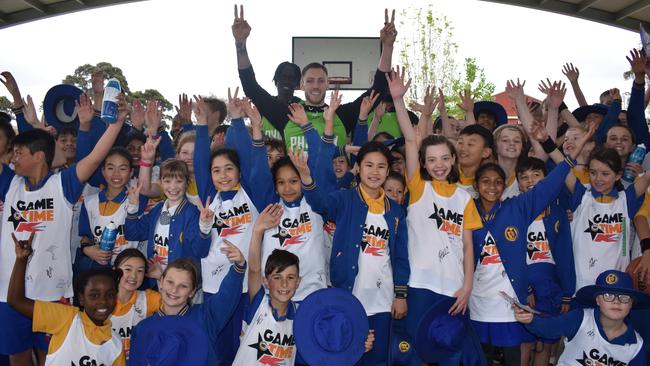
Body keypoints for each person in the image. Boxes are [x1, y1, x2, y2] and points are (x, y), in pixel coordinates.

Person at [0, 93, 125, 365]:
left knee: (53, 357)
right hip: (8, 293)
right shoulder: (10, 183)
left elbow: (94, 158)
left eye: (19, 153)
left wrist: (115, 125)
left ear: (39, 156)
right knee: (18, 357)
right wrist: (19, 106)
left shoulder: (63, 185)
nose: (13, 158)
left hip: (53, 295)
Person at [469, 120, 591, 365]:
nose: (491, 187)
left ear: (505, 187)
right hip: (476, 299)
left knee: (516, 356)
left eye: (497, 182)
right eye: (485, 181)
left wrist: (575, 152)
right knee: (480, 356)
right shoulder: (467, 209)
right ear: (475, 185)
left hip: (510, 300)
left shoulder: (517, 207)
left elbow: (551, 183)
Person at [389, 66, 483, 365]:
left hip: (454, 288)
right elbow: (410, 140)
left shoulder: (464, 198)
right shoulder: (417, 188)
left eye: (444, 158)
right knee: (416, 351)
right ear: (424, 165)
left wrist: (467, 287)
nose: (439, 164)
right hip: (420, 285)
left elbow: (468, 246)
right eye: (432, 160)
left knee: (450, 352)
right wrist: (399, 101)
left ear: (453, 159)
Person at [298, 135, 409, 365]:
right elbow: (320, 205)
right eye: (369, 165)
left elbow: (400, 256)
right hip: (349, 294)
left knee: (378, 358)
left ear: (388, 172)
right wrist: (307, 178)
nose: (375, 171)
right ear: (358, 168)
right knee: (348, 355)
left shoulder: (396, 212)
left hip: (382, 299)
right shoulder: (344, 198)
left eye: (381, 166)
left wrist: (400, 295)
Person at [233, 5, 394, 151]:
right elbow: (251, 87)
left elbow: (378, 88)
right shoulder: (287, 115)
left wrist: (387, 47)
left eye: (321, 81)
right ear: (301, 85)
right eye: (309, 81)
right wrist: (240, 44)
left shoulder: (343, 115)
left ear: (328, 84)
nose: (315, 86)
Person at [7, 233, 125, 365]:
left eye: (110, 294)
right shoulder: (66, 319)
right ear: (81, 298)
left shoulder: (115, 345)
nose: (103, 301)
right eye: (94, 295)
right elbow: (15, 301)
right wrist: (21, 260)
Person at [129, 245, 247, 366]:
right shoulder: (143, 328)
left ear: (192, 292)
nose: (174, 290)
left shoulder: (205, 317)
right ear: (162, 282)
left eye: (183, 286)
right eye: (170, 282)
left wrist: (239, 267)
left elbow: (226, 296)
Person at [514, 270, 649, 366]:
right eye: (608, 295)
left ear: (631, 303)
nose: (616, 302)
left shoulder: (636, 345)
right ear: (597, 300)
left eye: (624, 298)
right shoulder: (581, 318)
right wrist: (531, 320)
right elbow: (550, 328)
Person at [515, 157, 575, 366]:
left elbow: (566, 254)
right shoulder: (515, 211)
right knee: (524, 340)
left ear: (546, 179)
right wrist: (526, 287)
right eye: (524, 177)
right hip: (525, 283)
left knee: (546, 339)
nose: (530, 180)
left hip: (552, 284)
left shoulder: (557, 212)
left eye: (536, 175)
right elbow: (511, 256)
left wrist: (567, 293)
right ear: (518, 183)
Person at [232, 204, 300, 365]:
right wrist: (257, 231)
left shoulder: (301, 315)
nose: (284, 283)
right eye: (277, 277)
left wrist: (359, 342)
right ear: (265, 281)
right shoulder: (259, 303)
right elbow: (254, 269)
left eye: (290, 277)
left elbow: (325, 342)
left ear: (298, 282)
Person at [124, 159, 211, 276]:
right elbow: (133, 234)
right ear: (160, 182)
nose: (173, 187)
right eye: (167, 181)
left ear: (187, 183)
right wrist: (133, 207)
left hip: (182, 282)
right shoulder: (157, 209)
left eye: (179, 181)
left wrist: (205, 227)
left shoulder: (192, 213)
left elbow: (200, 251)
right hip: (156, 281)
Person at [75, 147, 147, 272]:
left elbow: (146, 185)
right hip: (99, 270)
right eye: (110, 168)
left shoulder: (138, 200)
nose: (116, 174)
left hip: (128, 272)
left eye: (123, 168)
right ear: (103, 171)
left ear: (131, 172)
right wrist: (87, 249)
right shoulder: (89, 202)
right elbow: (85, 236)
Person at [109, 249, 160, 360]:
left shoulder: (148, 298)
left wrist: (161, 276)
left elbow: (175, 302)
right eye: (128, 269)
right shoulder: (101, 301)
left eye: (140, 271)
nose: (133, 276)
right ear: (115, 270)